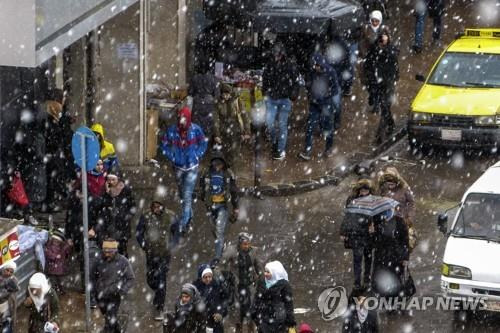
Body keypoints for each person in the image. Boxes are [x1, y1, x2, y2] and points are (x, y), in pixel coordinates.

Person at [161, 107, 208, 238]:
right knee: (183, 195)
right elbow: (163, 145)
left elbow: (203, 143)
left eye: (184, 119)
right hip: (178, 168)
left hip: (192, 168)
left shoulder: (196, 129)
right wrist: (172, 156)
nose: (182, 121)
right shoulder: (172, 131)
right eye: (180, 118)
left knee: (187, 196)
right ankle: (189, 217)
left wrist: (197, 155)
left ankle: (182, 226)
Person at [136, 199, 175, 320]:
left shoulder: (170, 216)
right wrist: (143, 244)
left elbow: (177, 232)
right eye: (154, 206)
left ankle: (159, 306)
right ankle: (158, 291)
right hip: (151, 253)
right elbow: (139, 232)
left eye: (159, 206)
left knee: (162, 279)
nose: (156, 209)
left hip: (164, 254)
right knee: (151, 279)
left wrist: (172, 244)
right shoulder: (146, 216)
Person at [299, 53, 340, 160]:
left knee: (328, 128)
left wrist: (325, 94)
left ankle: (328, 148)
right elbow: (308, 84)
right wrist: (310, 94)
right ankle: (307, 151)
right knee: (310, 127)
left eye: (316, 65)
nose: (314, 68)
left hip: (326, 105)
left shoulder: (331, 72)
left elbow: (335, 89)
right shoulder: (312, 72)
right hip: (314, 104)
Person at [263, 43, 300, 160]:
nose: (276, 57)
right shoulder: (270, 65)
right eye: (274, 54)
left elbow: (296, 82)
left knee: (282, 124)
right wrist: (265, 91)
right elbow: (265, 78)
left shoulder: (290, 66)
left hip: (285, 99)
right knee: (269, 123)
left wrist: (293, 95)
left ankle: (280, 149)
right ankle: (275, 141)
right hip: (272, 98)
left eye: (277, 55)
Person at [199, 151, 240, 260]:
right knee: (214, 229)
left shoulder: (228, 174)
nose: (217, 166)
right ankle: (221, 245)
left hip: (223, 206)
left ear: (223, 163)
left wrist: (236, 207)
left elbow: (234, 191)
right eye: (215, 163)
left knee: (219, 230)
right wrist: (202, 195)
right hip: (210, 205)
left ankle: (218, 257)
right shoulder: (206, 173)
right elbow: (202, 185)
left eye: (219, 163)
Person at [220, 232, 262, 333]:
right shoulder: (232, 250)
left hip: (249, 284)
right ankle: (238, 329)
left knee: (250, 308)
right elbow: (221, 265)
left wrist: (261, 279)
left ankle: (251, 328)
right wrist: (225, 277)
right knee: (238, 310)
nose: (247, 246)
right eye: (244, 244)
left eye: (248, 243)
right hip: (237, 284)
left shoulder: (253, 251)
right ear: (239, 243)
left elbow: (258, 266)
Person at [363, 32, 399, 144]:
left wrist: (393, 79)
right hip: (377, 85)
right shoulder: (373, 52)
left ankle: (379, 135)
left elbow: (395, 70)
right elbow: (368, 66)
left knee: (384, 108)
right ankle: (391, 124)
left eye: (385, 39)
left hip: (388, 85)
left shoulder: (391, 52)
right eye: (381, 40)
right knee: (385, 109)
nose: (382, 42)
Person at [94, 239, 135, 333]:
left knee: (110, 320)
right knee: (108, 316)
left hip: (114, 296)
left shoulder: (123, 261)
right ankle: (118, 329)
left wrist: (122, 290)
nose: (107, 254)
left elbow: (131, 278)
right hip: (100, 295)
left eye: (110, 252)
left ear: (115, 250)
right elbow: (93, 276)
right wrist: (94, 291)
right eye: (105, 251)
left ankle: (109, 330)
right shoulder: (99, 259)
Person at [342, 179, 376, 289]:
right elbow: (347, 216)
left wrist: (374, 224)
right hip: (356, 233)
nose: (364, 193)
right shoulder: (352, 200)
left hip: (368, 234)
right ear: (359, 190)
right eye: (363, 190)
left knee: (368, 258)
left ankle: (366, 279)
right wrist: (344, 231)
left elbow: (377, 215)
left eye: (367, 191)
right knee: (357, 258)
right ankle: (357, 281)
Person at [370, 208, 411, 298]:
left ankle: (395, 303)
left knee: (396, 281)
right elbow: (373, 243)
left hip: (396, 258)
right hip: (381, 258)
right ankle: (385, 301)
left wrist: (405, 258)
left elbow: (405, 241)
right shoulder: (377, 222)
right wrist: (372, 233)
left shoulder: (399, 222)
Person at [213, 83, 252, 166]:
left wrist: (247, 131)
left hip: (236, 129)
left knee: (234, 152)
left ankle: (231, 168)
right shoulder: (217, 103)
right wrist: (217, 134)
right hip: (223, 130)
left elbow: (244, 115)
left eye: (227, 94)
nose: (226, 96)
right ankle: (227, 168)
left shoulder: (237, 101)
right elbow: (215, 119)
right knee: (225, 151)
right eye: (224, 94)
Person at [99, 173, 136, 257]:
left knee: (122, 250)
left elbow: (132, 206)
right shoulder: (105, 191)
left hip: (122, 225)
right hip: (109, 225)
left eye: (113, 180)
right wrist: (108, 193)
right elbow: (102, 206)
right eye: (109, 180)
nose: (111, 182)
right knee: (109, 251)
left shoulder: (125, 190)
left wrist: (126, 216)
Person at [252, 261, 296, 333]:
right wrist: (256, 317)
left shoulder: (284, 285)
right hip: (264, 322)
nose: (265, 274)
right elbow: (256, 301)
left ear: (276, 273)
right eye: (265, 271)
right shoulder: (262, 284)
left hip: (280, 322)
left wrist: (290, 321)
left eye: (268, 272)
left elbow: (289, 304)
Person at [189, 59, 221, 142]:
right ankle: (206, 144)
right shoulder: (214, 79)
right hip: (209, 104)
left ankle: (197, 145)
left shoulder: (194, 78)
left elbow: (190, 92)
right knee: (208, 125)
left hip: (197, 103)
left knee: (196, 124)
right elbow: (217, 94)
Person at [193, 264, 228, 333]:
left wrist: (220, 313)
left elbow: (224, 300)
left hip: (215, 321)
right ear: (201, 277)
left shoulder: (216, 285)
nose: (208, 279)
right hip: (201, 321)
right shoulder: (195, 287)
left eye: (210, 277)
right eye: (205, 277)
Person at [44, 230, 72, 295]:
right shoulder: (49, 245)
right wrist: (55, 256)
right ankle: (54, 291)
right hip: (53, 267)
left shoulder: (62, 246)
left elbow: (67, 252)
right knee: (54, 280)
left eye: (57, 241)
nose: (56, 242)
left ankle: (60, 290)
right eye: (55, 240)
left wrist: (68, 246)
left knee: (59, 280)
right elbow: (48, 254)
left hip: (59, 267)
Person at [0, 261, 19, 333]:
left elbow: (10, 295)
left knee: (7, 329)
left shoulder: (13, 281)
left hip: (7, 311)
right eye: (7, 270)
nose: (8, 273)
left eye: (11, 272)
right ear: (3, 269)